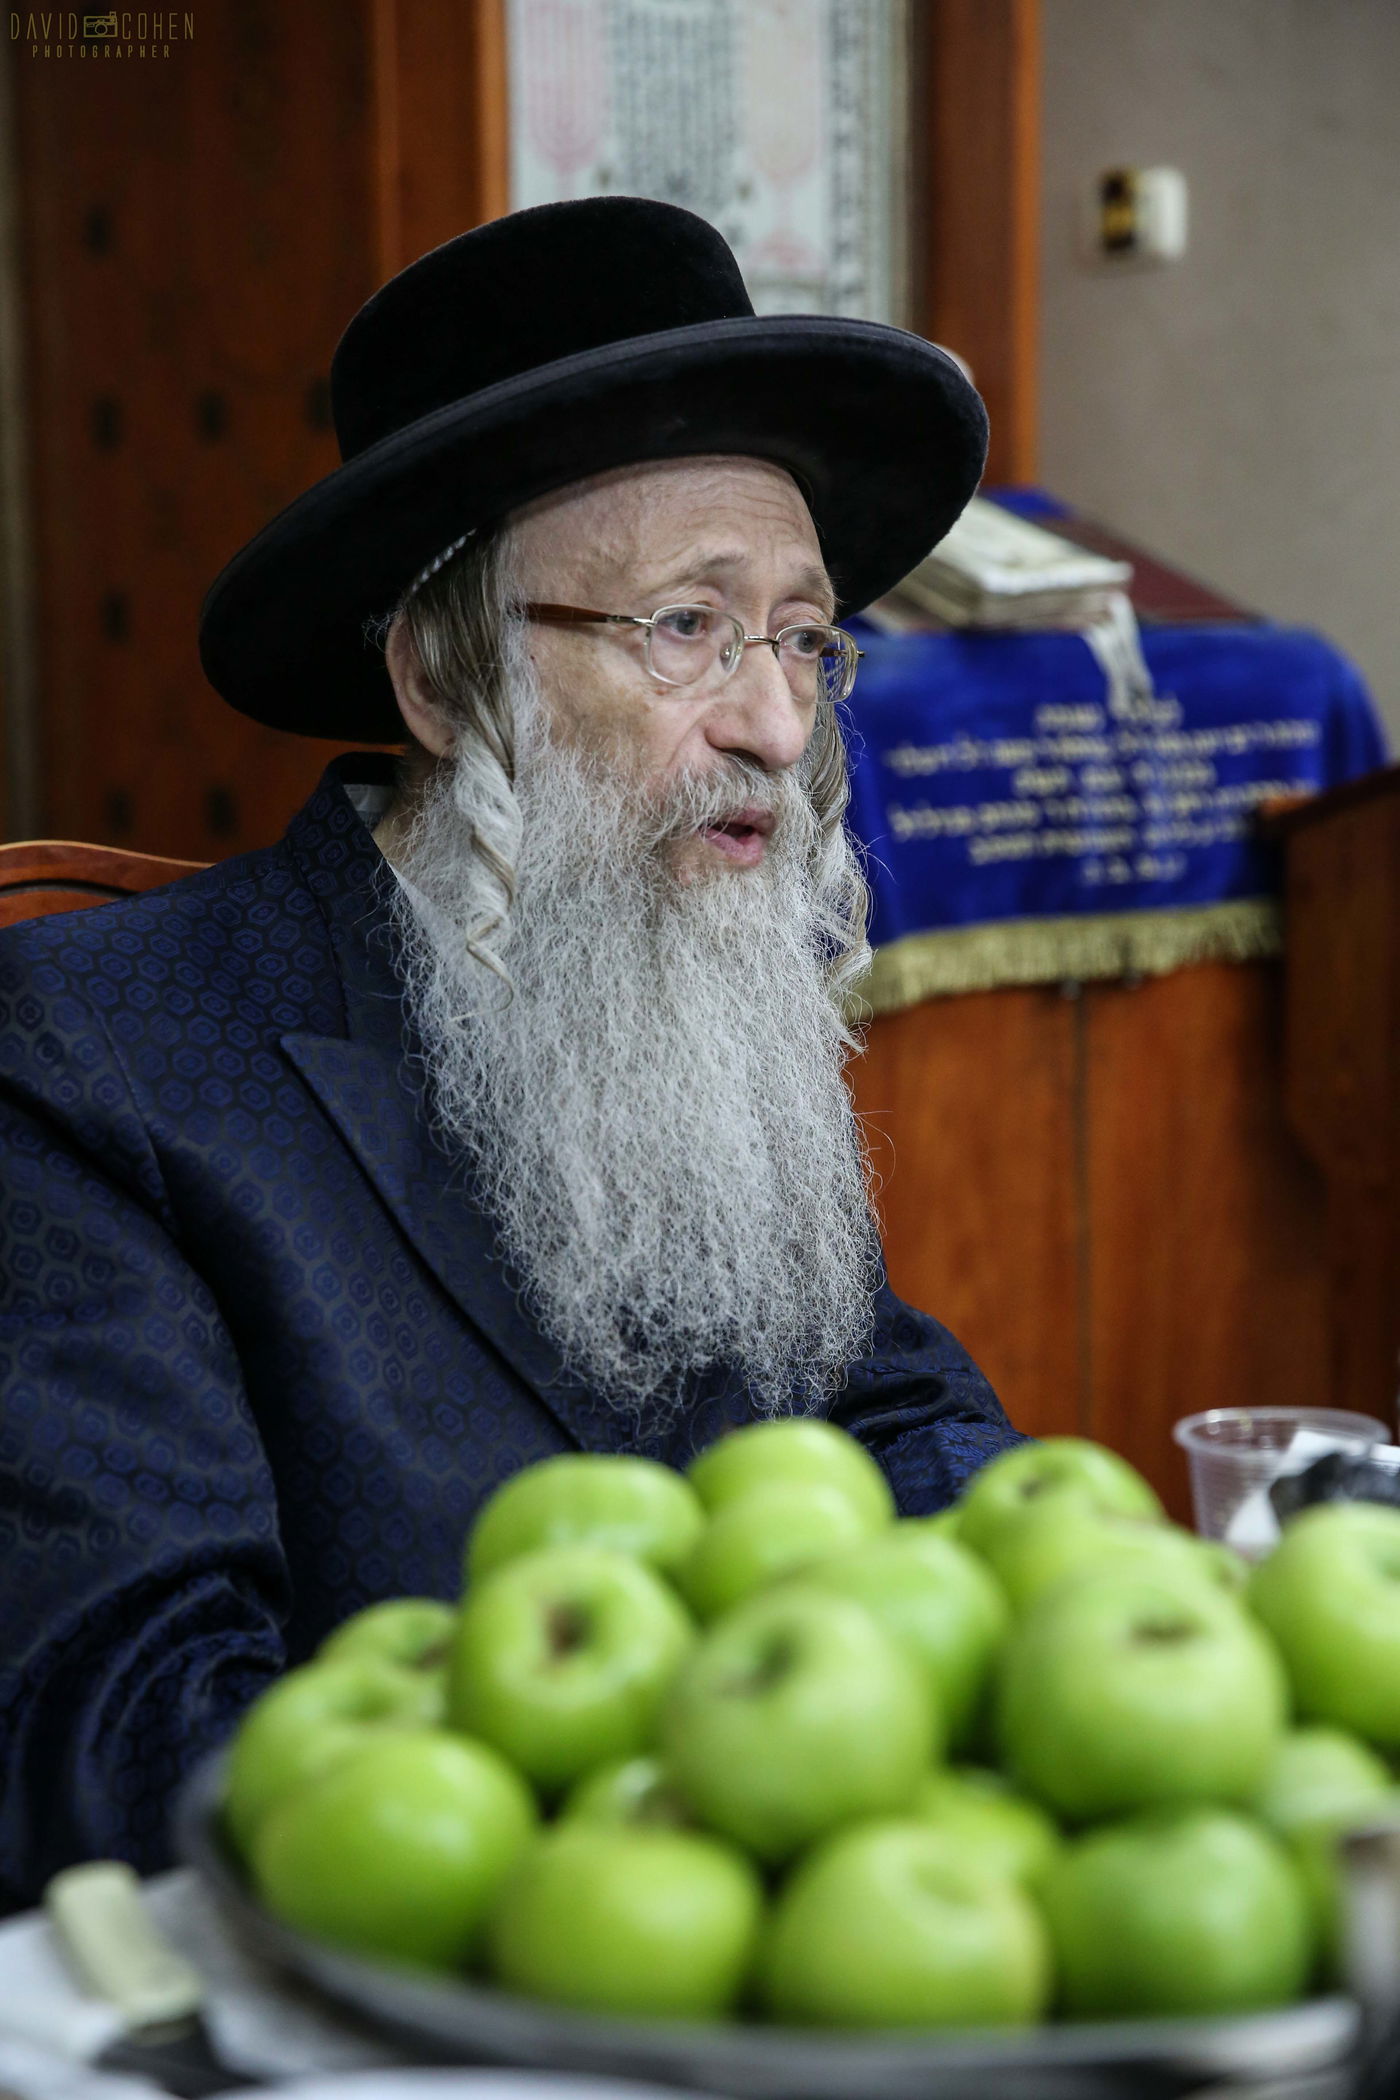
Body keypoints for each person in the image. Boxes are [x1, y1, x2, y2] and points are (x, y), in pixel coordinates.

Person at [0, 197, 1020, 1908]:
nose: (778, 725)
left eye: (803, 637)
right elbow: (119, 1725)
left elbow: (897, 1410)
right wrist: (674, 1849)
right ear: (441, 682)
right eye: (687, 627)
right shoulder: (100, 1056)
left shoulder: (683, 1010)